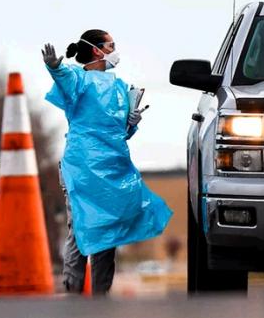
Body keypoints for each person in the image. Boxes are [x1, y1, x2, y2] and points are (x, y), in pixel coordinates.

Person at [41, 29, 171, 296]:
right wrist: (54, 66)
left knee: (108, 233)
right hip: (82, 169)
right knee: (79, 229)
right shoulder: (80, 79)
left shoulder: (122, 89)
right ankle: (73, 293)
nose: (115, 49)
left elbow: (122, 132)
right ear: (97, 50)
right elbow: (65, 77)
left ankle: (101, 298)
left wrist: (132, 122)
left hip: (112, 168)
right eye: (111, 45)